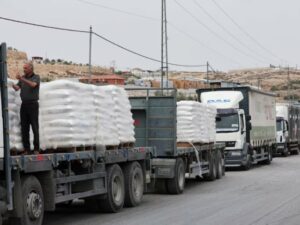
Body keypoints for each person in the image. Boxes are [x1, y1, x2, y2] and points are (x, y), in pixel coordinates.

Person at [13, 62, 40, 154]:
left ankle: (36, 149)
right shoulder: (23, 78)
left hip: (33, 105)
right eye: (23, 68)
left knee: (34, 127)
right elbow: (17, 88)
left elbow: (33, 85)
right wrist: (11, 84)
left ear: (31, 69)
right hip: (24, 105)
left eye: (25, 68)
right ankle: (27, 149)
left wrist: (21, 79)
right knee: (24, 128)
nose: (24, 70)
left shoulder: (36, 77)